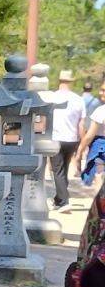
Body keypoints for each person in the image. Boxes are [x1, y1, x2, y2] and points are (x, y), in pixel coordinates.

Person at [49, 69, 85, 208]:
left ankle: (64, 201)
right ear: (71, 82)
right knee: (64, 167)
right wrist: (82, 142)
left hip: (56, 137)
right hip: (72, 138)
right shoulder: (78, 99)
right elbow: (81, 124)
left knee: (57, 170)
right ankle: (59, 199)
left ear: (59, 81)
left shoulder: (52, 97)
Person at [73, 78, 105, 186]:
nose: (101, 93)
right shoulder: (96, 102)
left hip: (97, 140)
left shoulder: (101, 110)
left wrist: (79, 152)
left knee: (97, 176)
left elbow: (89, 136)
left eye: (104, 90)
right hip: (92, 129)